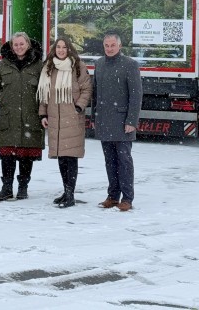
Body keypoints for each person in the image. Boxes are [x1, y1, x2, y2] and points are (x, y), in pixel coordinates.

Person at [0, 32, 45, 201]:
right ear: (12, 46)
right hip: (9, 116)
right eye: (16, 44)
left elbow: (45, 88)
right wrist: (1, 97)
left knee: (26, 154)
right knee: (7, 154)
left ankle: (23, 187)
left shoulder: (38, 65)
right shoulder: (4, 64)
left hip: (30, 116)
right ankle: (6, 188)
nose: (19, 47)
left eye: (22, 44)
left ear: (28, 45)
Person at [38, 37, 92, 208]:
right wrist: (43, 114)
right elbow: (44, 94)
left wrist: (78, 107)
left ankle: (70, 194)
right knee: (61, 158)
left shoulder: (78, 67)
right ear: (54, 49)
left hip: (72, 118)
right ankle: (66, 191)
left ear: (70, 49)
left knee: (71, 158)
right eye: (58, 47)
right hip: (55, 119)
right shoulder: (49, 68)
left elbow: (87, 89)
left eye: (64, 47)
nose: (61, 50)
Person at [92, 33, 142, 212]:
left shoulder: (130, 65)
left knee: (124, 161)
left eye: (113, 45)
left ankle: (127, 198)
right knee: (109, 161)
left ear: (119, 46)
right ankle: (113, 196)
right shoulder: (99, 64)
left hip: (123, 122)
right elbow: (95, 94)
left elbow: (136, 96)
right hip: (104, 120)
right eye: (106, 45)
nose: (109, 48)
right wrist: (94, 117)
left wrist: (131, 120)